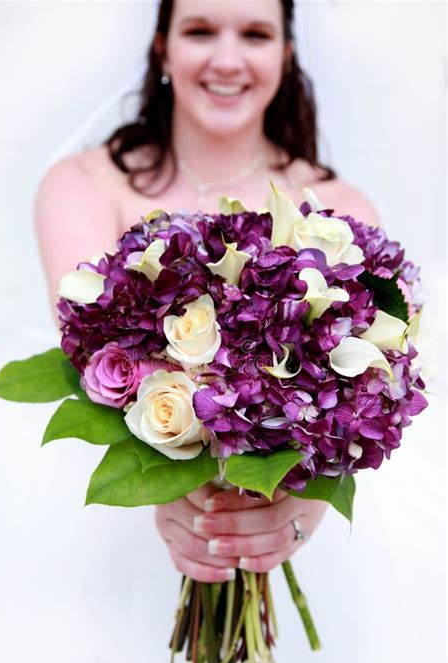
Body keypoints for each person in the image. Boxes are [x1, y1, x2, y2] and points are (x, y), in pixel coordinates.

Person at [34, 0, 381, 584]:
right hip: (119, 519)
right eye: (199, 31)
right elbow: (90, 346)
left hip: (294, 535)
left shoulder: (340, 209)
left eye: (254, 34)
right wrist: (172, 495)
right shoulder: (82, 185)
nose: (227, 60)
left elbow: (368, 389)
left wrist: (306, 506)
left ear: (285, 55)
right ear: (162, 46)